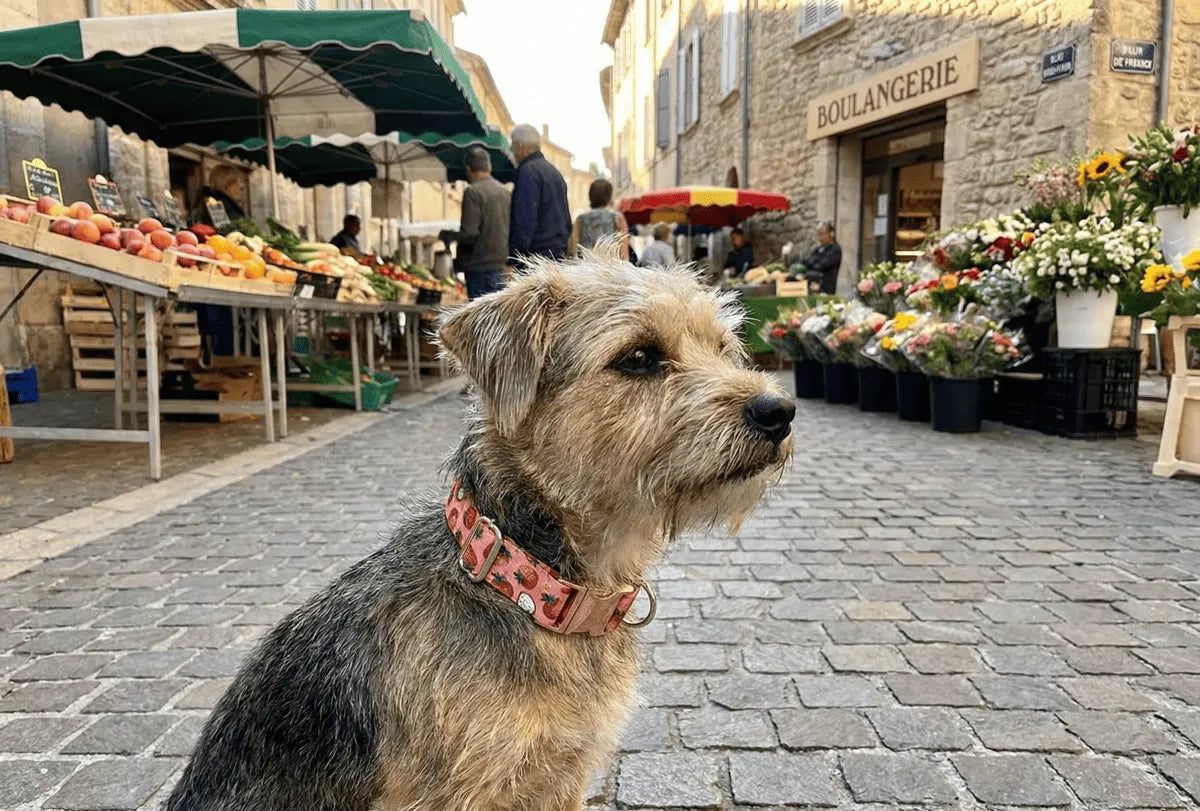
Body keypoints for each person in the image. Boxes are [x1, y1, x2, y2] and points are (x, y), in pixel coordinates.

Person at [508, 123, 571, 265]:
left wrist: (515, 258)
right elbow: (566, 220)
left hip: (534, 260)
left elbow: (524, 220)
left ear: (521, 147)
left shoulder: (527, 172)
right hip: (556, 257)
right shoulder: (555, 173)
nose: (512, 151)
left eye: (513, 147)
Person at [455, 147, 512, 299]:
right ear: (489, 167)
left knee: (479, 319)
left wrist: (454, 239)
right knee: (498, 318)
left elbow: (469, 233)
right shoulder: (505, 192)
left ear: (468, 169)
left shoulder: (472, 192)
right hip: (501, 266)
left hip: (479, 267)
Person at [568, 178, 629, 260]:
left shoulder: (580, 219)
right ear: (609, 196)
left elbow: (572, 250)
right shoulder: (618, 218)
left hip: (585, 269)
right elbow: (624, 253)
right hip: (611, 269)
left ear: (590, 196)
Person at [801, 221, 843, 294]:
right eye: (819, 235)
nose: (820, 238)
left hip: (825, 288)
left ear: (831, 234)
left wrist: (812, 263)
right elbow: (807, 261)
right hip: (812, 286)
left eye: (823, 234)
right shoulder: (819, 249)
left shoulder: (835, 249)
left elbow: (821, 265)